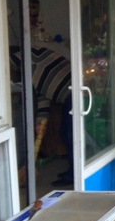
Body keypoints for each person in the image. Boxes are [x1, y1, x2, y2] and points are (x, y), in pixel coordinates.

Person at [9, 45, 74, 186]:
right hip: (68, 96)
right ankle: (73, 170)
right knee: (66, 133)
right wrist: (41, 121)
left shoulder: (30, 56)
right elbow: (42, 96)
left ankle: (73, 174)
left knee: (69, 135)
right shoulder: (28, 73)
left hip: (76, 91)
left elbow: (12, 60)